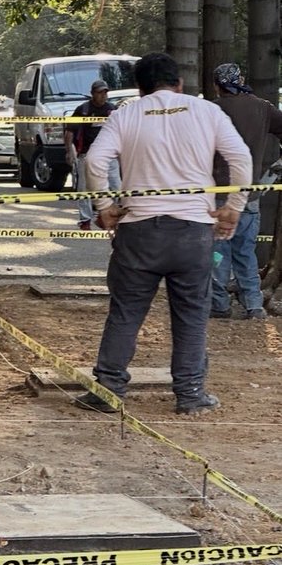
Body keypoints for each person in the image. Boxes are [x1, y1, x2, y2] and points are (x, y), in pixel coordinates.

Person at [77, 52, 251, 417]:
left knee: (125, 312)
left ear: (140, 88)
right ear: (180, 83)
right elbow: (240, 156)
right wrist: (234, 205)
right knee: (191, 314)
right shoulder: (206, 111)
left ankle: (108, 389)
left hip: (138, 230)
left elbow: (94, 161)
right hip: (193, 231)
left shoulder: (126, 113)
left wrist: (105, 205)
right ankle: (190, 394)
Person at [211, 62, 282, 320]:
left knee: (217, 252)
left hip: (217, 193)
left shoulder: (212, 109)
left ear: (217, 86)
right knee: (246, 252)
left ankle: (219, 304)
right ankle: (253, 305)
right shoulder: (264, 108)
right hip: (249, 194)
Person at [63, 79, 120, 229]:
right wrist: (69, 151)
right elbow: (69, 131)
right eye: (100, 92)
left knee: (117, 187)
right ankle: (85, 220)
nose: (103, 96)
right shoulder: (83, 109)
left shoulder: (112, 110)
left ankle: (114, 215)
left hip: (110, 156)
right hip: (86, 154)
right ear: (92, 94)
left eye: (105, 92)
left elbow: (120, 132)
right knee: (84, 189)